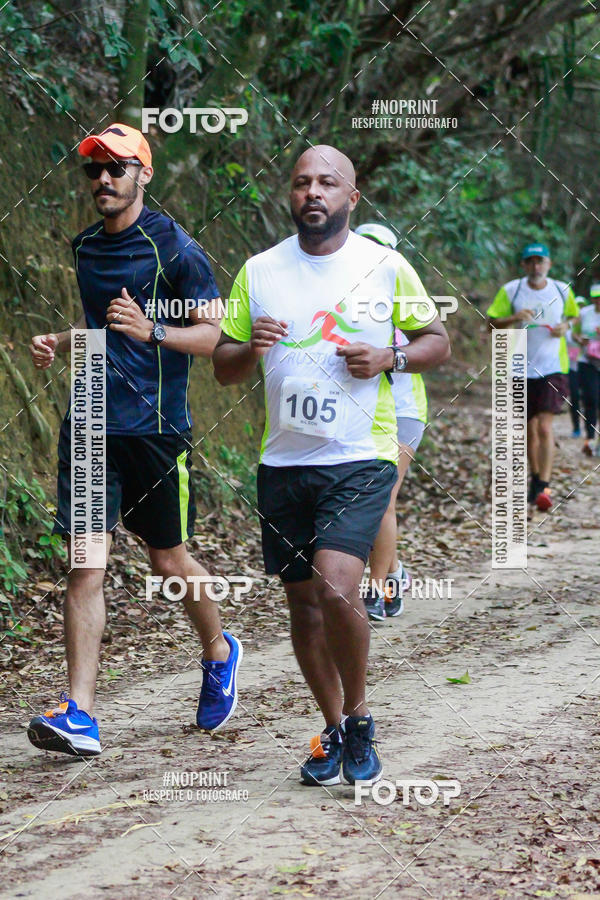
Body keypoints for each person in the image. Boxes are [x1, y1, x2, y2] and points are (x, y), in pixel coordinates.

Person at [213, 145, 450, 787]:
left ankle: (362, 714)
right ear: (290, 196)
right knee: (303, 607)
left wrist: (390, 358)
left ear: (352, 196)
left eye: (326, 183)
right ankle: (337, 723)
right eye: (301, 183)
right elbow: (223, 366)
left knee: (337, 580)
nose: (312, 192)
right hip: (283, 460)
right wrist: (248, 347)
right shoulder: (259, 271)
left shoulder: (385, 266)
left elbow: (438, 341)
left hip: (359, 453)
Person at [27, 123, 242, 757]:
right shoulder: (86, 246)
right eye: (93, 170)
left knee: (167, 561)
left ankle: (219, 650)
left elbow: (217, 339)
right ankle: (81, 714)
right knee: (84, 566)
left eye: (116, 168)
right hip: (92, 419)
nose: (103, 180)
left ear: (143, 175)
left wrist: (152, 331)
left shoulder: (177, 249)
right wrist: (61, 341)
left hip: (155, 429)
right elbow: (101, 324)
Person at [354, 223, 428, 621]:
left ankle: (376, 592)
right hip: (358, 412)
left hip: (402, 411)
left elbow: (432, 345)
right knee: (362, 502)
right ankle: (395, 573)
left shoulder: (404, 299)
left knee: (382, 500)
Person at [487, 243, 578, 511]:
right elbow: (491, 323)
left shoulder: (561, 289)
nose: (536, 266)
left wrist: (565, 326)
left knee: (545, 427)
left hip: (552, 367)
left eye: (541, 261)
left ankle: (545, 485)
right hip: (519, 368)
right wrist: (514, 317)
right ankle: (535, 479)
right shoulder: (512, 290)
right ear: (524, 265)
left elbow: (572, 317)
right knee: (528, 430)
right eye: (531, 262)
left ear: (549, 264)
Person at [573, 284, 600, 456]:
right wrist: (580, 339)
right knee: (591, 399)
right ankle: (589, 439)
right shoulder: (584, 313)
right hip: (586, 362)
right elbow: (572, 332)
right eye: (596, 297)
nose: (598, 300)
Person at [566, 297, 587, 438]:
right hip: (571, 367)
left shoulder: (589, 325)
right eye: (577, 307)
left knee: (589, 397)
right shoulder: (567, 327)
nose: (579, 310)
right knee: (573, 397)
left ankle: (590, 428)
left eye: (582, 307)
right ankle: (576, 428)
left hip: (587, 367)